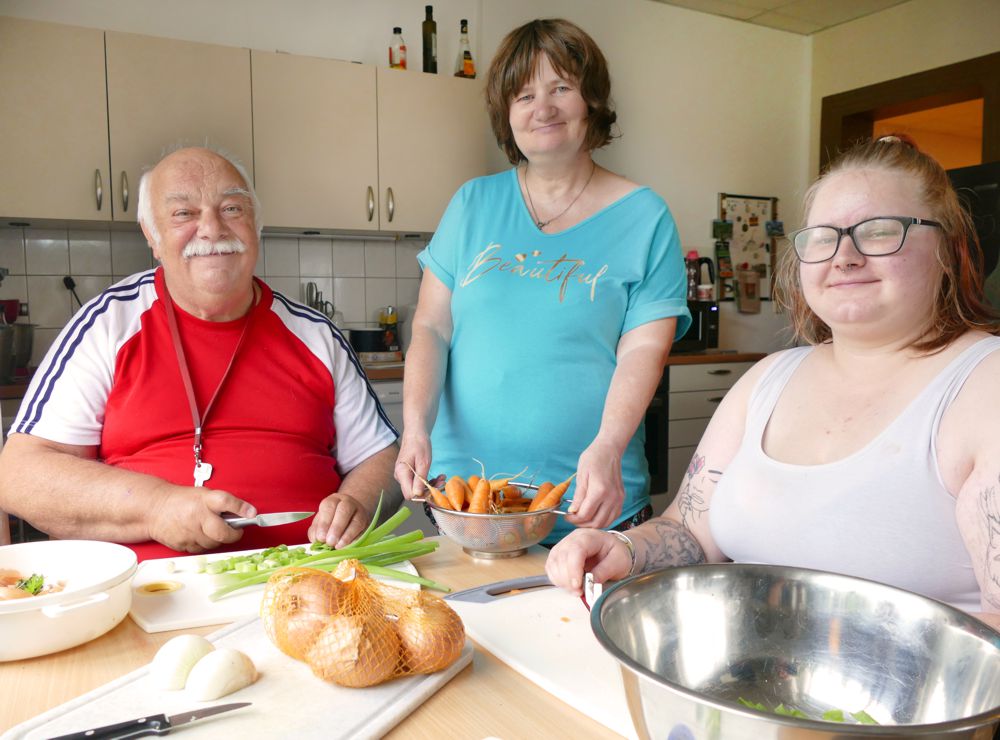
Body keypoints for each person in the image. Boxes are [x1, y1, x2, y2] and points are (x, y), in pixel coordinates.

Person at [546, 135, 1000, 629]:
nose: (844, 256)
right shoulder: (767, 378)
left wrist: (811, 634)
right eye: (823, 237)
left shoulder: (984, 386)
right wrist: (624, 548)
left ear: (950, 249)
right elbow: (689, 532)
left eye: (879, 231)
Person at [0, 147, 401, 560]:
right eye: (183, 213)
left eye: (231, 209)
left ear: (256, 225)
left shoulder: (316, 335)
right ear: (151, 235)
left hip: (311, 577)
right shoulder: (107, 324)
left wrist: (357, 503)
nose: (212, 229)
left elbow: (380, 457)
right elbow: (19, 475)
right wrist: (155, 507)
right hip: (149, 589)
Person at [394, 18, 690, 543]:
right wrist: (414, 428)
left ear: (591, 100)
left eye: (561, 88)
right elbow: (431, 327)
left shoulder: (645, 217)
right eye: (524, 95)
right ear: (506, 114)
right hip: (469, 500)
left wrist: (608, 445)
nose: (543, 108)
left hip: (590, 502)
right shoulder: (472, 204)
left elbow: (645, 348)